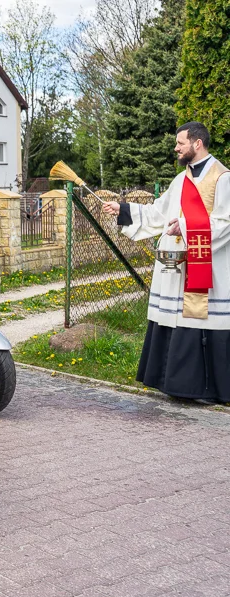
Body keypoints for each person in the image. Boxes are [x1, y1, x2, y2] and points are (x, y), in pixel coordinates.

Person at [102, 121, 230, 405]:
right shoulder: (180, 180)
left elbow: (225, 223)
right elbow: (159, 212)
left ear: (197, 144)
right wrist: (123, 209)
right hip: (174, 270)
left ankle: (206, 390)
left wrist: (184, 228)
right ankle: (173, 383)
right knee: (174, 319)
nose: (176, 147)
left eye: (180, 143)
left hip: (205, 271)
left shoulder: (223, 179)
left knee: (198, 319)